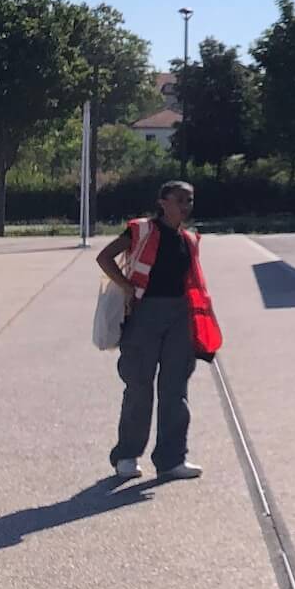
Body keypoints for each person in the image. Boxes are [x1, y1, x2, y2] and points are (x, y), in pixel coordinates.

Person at [94, 180, 209, 481]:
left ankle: (172, 460)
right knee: (139, 386)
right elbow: (104, 257)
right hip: (144, 313)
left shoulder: (188, 239)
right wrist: (126, 285)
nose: (185, 206)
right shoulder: (141, 230)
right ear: (162, 202)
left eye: (190, 201)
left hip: (178, 315)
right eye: (179, 200)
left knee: (175, 389)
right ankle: (128, 455)